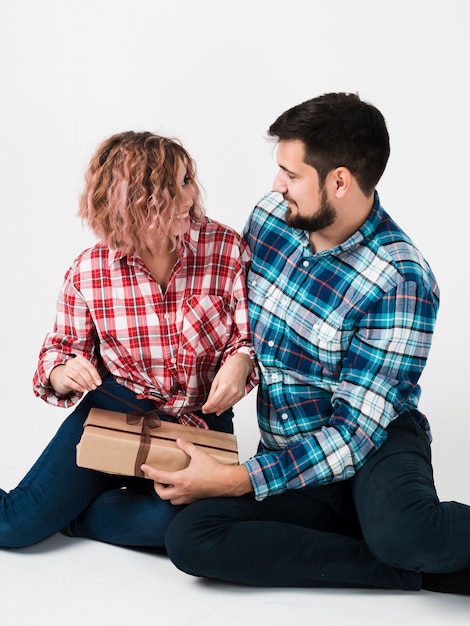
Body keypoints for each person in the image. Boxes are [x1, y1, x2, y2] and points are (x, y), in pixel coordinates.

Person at [144, 93, 470, 595]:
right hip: (293, 452)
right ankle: (401, 567)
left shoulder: (400, 278)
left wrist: (234, 479)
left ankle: (398, 546)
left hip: (374, 440)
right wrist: (243, 357)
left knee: (407, 533)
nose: (277, 185)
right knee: (191, 538)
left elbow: (355, 434)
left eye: (291, 174)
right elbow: (243, 320)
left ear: (339, 181)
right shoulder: (271, 220)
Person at [0, 131, 258, 549]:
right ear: (138, 202)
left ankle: (79, 517)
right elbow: (57, 355)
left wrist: (240, 360)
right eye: (178, 186)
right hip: (116, 412)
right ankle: (78, 496)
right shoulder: (89, 272)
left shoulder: (226, 249)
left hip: (198, 422)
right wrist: (66, 372)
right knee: (14, 527)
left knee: (184, 525)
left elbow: (246, 339)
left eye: (191, 179)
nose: (193, 197)